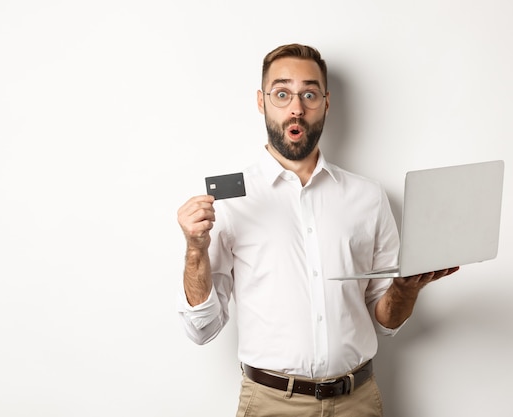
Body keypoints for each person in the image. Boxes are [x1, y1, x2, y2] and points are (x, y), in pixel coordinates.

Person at [176, 43, 459, 417]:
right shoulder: (228, 202)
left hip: (358, 401)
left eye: (309, 94)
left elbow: (386, 321)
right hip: (271, 404)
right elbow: (202, 329)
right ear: (262, 102)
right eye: (282, 93)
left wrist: (405, 289)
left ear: (326, 102)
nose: (296, 107)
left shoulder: (368, 196)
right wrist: (195, 249)